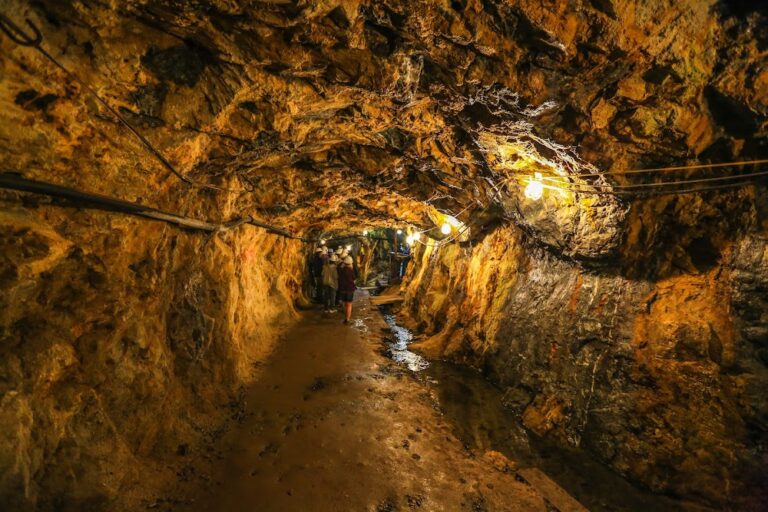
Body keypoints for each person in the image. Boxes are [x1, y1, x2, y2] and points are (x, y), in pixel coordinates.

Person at [338, 255, 357, 324]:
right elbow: (354, 279)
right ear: (351, 263)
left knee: (345, 303)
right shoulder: (351, 271)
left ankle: (345, 317)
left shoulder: (341, 270)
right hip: (349, 289)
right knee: (349, 304)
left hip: (342, 289)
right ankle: (347, 319)